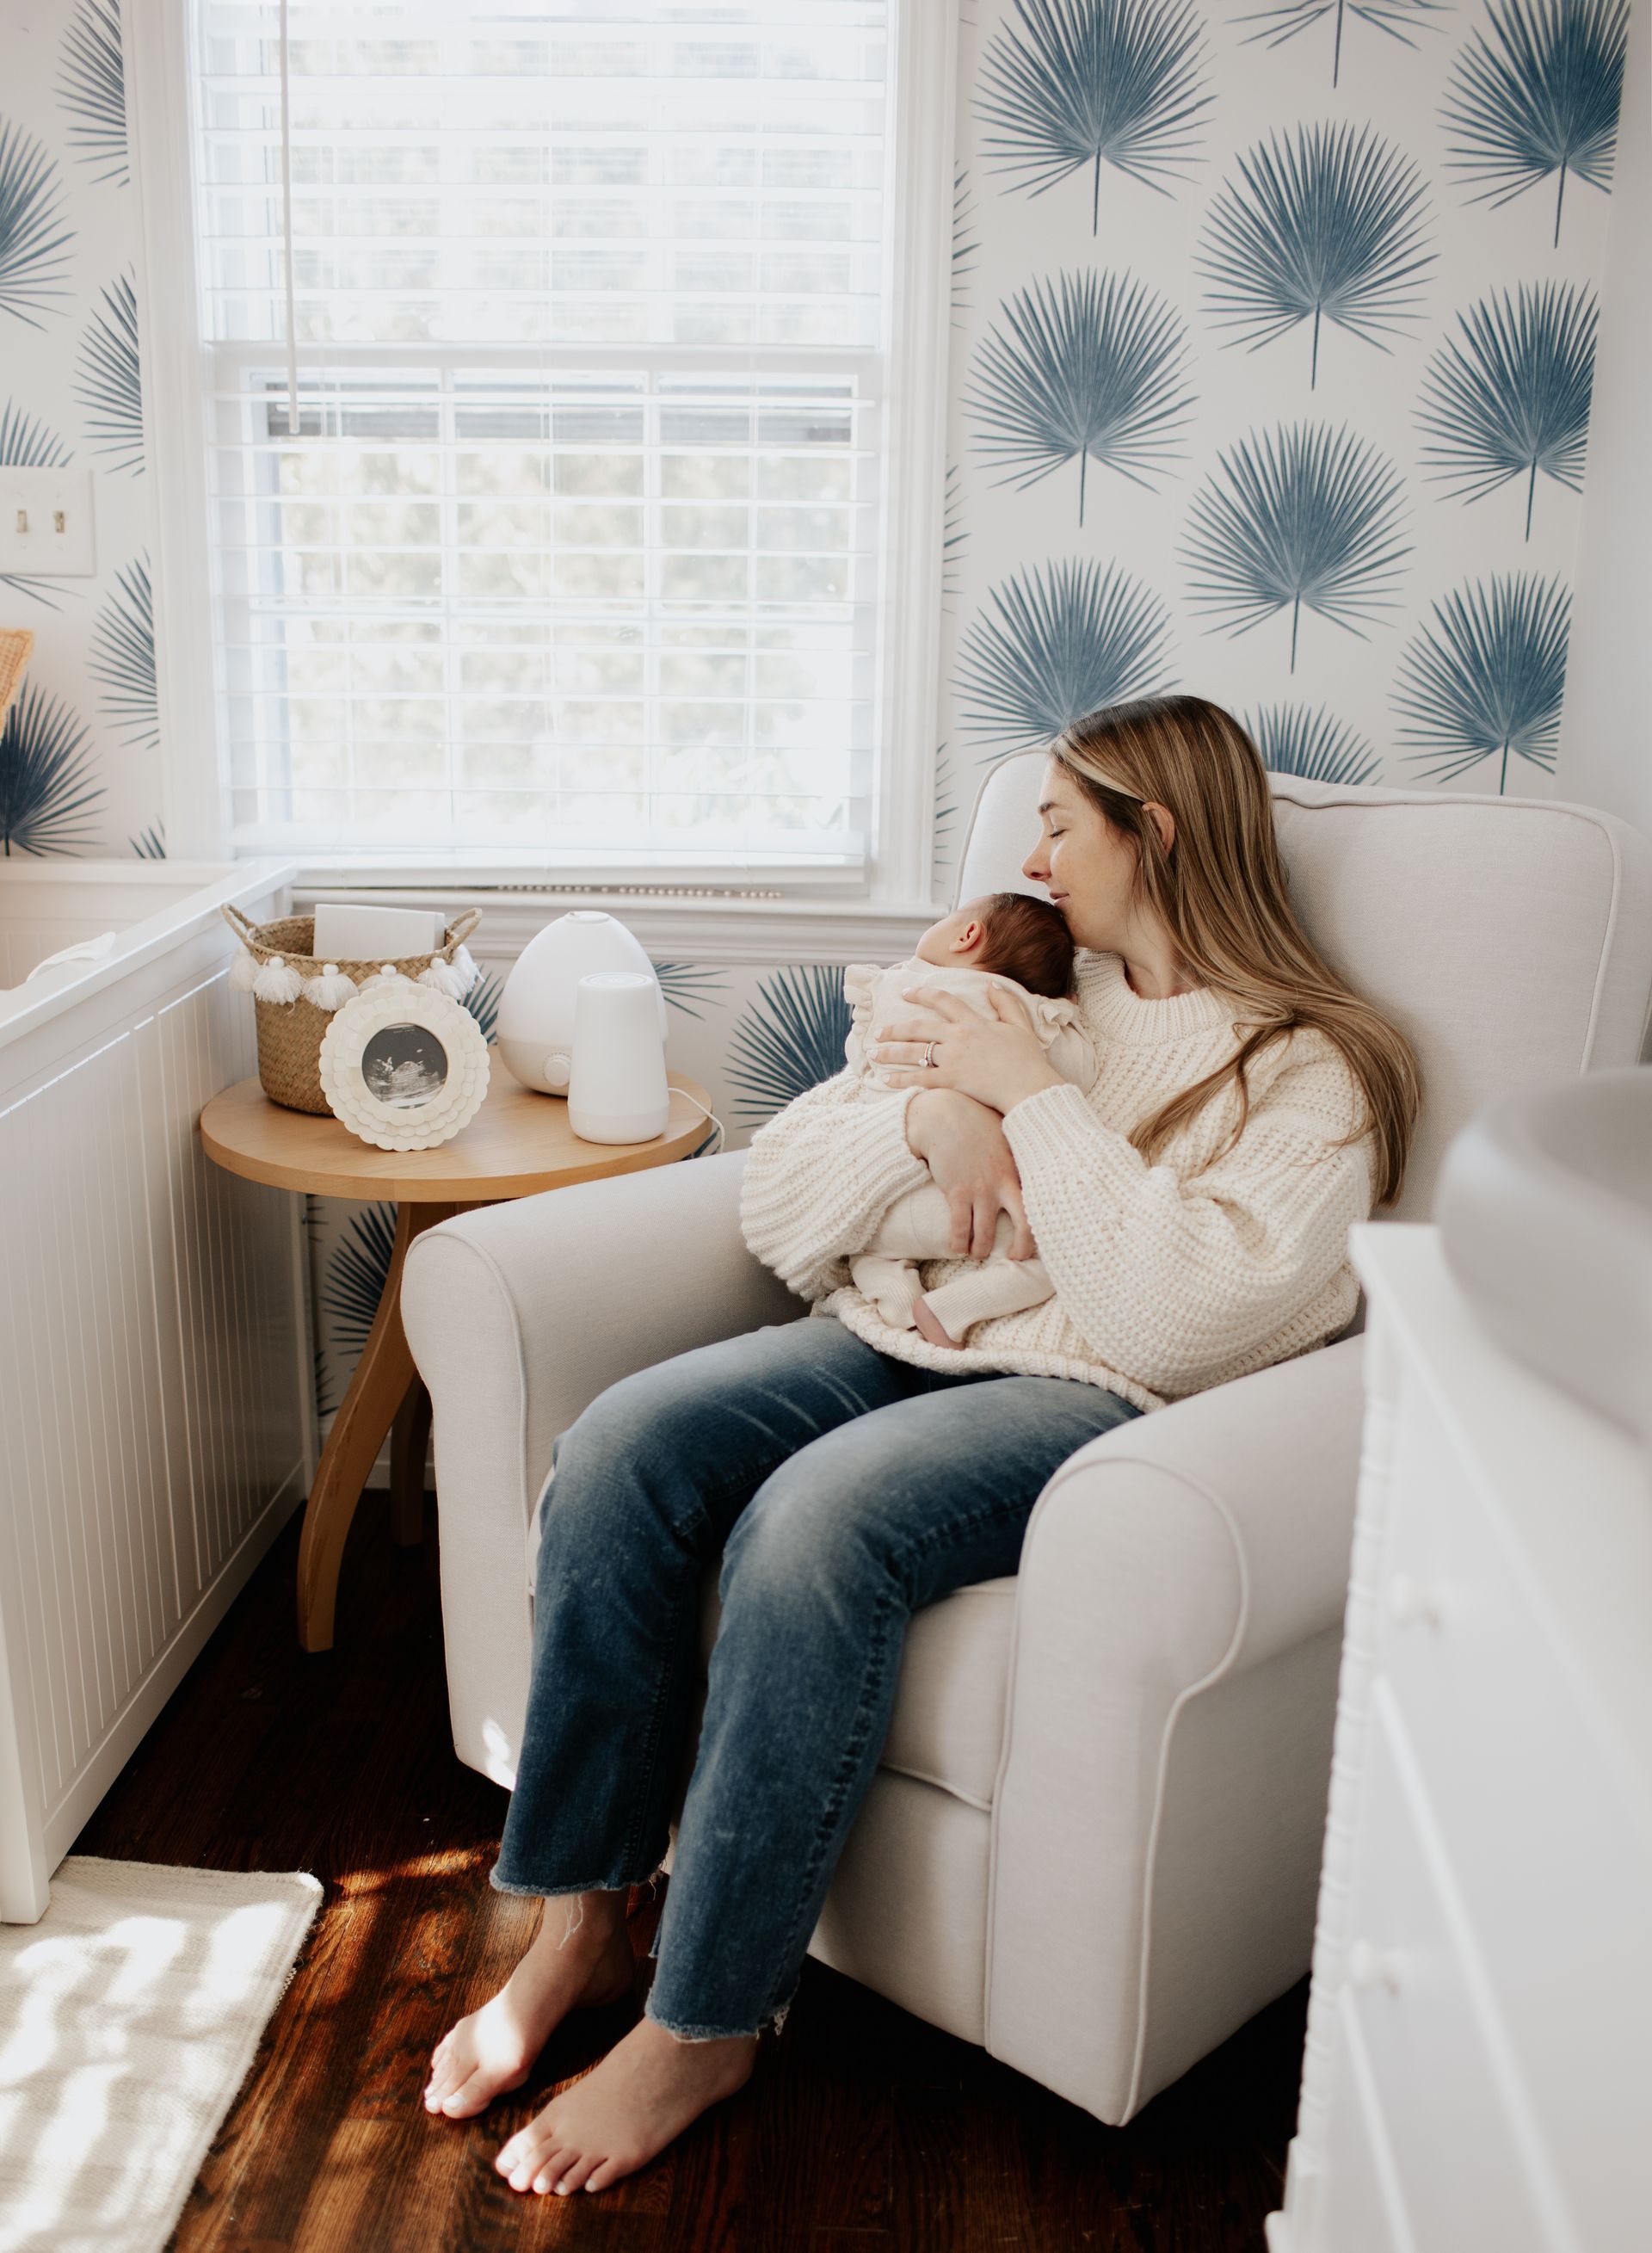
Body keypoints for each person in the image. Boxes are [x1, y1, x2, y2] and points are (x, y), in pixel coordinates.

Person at [422, 694, 1422, 2202]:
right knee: (624, 1444)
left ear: (1153, 832)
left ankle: (705, 2022)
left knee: (817, 1525)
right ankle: (581, 1923)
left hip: (1090, 1400)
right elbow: (784, 1201)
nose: (1033, 848)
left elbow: (1174, 1313)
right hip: (893, 1329)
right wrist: (928, 1133)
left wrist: (1027, 1106)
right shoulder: (1008, 974)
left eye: (1062, 822)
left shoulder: (1311, 1068)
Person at [842, 889, 1099, 1343]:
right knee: (1048, 1251)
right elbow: (1077, 1073)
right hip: (978, 1212)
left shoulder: (890, 986)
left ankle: (894, 1298)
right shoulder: (1017, 1006)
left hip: (885, 1199)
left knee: (864, 1251)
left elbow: (859, 1063)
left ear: (967, 934)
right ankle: (950, 1310)